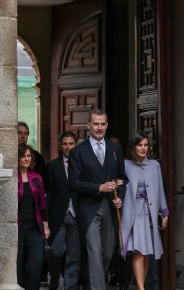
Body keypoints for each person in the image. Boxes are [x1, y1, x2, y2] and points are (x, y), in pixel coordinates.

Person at [68, 109, 128, 290]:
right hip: (89, 210)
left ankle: (89, 282)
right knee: (94, 254)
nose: (99, 128)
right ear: (88, 125)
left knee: (108, 253)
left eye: (102, 124)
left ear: (107, 125)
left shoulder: (115, 149)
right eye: (96, 124)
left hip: (110, 207)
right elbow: (73, 183)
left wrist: (121, 198)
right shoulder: (78, 152)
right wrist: (98, 188)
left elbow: (122, 179)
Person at [120, 132, 169, 290]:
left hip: (150, 213)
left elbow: (160, 188)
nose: (143, 148)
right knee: (138, 252)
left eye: (146, 145)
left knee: (147, 253)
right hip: (133, 214)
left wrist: (165, 211)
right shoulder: (125, 165)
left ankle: (142, 286)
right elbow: (119, 188)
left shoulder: (155, 165)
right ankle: (141, 288)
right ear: (133, 147)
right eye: (140, 145)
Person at [47, 131, 80, 290]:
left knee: (73, 256)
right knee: (56, 251)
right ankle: (53, 281)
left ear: (76, 145)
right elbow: (48, 192)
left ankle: (70, 287)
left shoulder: (83, 165)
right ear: (60, 146)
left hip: (76, 217)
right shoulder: (52, 166)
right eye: (65, 144)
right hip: (58, 217)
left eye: (71, 144)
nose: (68, 147)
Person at [17, 121, 49, 283]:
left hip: (34, 226)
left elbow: (42, 203)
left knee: (36, 261)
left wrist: (45, 224)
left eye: (29, 156)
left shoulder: (36, 178)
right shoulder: (11, 178)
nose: (26, 159)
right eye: (23, 156)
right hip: (17, 225)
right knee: (18, 263)